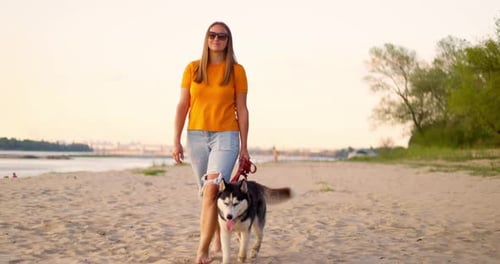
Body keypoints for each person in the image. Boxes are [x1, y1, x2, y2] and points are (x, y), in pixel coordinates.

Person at [172, 21, 249, 264]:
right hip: (196, 136)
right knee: (207, 194)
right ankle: (218, 235)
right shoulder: (192, 69)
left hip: (226, 136)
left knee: (212, 189)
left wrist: (244, 147)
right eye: (212, 35)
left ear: (228, 41)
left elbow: (243, 109)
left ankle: (202, 252)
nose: (216, 39)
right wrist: (176, 140)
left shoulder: (237, 71)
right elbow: (183, 105)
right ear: (206, 39)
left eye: (222, 36)